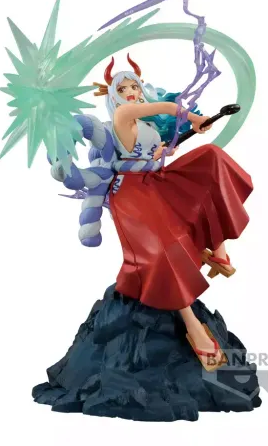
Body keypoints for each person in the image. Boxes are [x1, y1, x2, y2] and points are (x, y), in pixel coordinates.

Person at [94, 54, 253, 369]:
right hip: (130, 190)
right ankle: (193, 325)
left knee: (210, 159)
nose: (130, 92)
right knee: (165, 248)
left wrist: (163, 151)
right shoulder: (123, 115)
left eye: (134, 86)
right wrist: (192, 118)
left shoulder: (145, 125)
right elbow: (167, 108)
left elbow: (152, 152)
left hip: (155, 179)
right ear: (114, 96)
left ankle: (219, 250)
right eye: (122, 89)